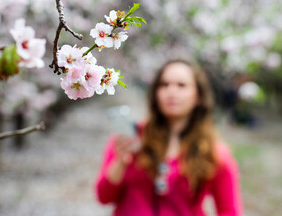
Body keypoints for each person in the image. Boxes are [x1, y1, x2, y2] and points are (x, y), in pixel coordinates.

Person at [95, 59, 243, 216]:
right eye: (164, 84)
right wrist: (120, 162)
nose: (171, 91)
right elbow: (104, 197)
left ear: (198, 96)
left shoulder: (214, 153)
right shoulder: (131, 139)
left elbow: (229, 211)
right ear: (155, 93)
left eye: (181, 85)